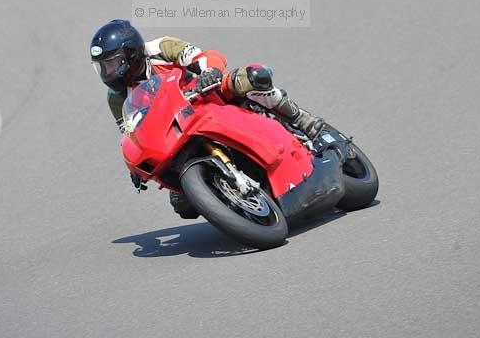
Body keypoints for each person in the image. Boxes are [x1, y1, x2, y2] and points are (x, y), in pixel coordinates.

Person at [90, 19, 324, 218]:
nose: (108, 73)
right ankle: (227, 196)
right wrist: (136, 168)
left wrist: (209, 72)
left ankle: (301, 119)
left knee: (252, 77)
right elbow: (130, 130)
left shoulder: (160, 48)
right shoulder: (117, 97)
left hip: (205, 95)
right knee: (183, 205)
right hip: (175, 130)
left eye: (112, 64)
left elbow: (202, 55)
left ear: (131, 53)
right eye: (102, 67)